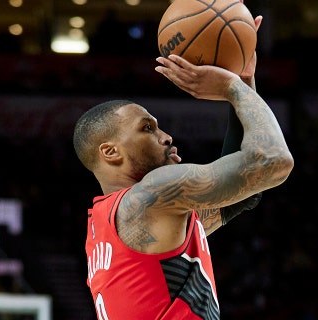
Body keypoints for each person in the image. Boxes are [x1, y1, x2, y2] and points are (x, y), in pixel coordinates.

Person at [73, 15, 294, 319]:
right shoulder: (151, 194)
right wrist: (232, 87)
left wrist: (243, 79)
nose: (165, 137)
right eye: (147, 129)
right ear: (110, 152)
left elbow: (245, 192)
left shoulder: (111, 222)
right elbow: (273, 161)